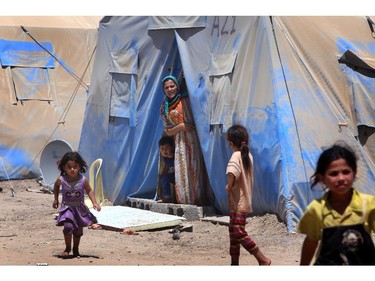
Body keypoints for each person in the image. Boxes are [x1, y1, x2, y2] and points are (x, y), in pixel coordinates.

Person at [298, 142, 375, 265]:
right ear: (322, 177)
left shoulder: (369, 204)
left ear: (354, 173)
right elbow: (311, 242)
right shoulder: (316, 209)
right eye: (333, 174)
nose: (340, 178)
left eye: (346, 172)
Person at [160, 75, 212, 205]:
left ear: (177, 86)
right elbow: (168, 131)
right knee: (183, 170)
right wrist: (181, 126)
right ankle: (187, 200)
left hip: (195, 140)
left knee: (196, 167)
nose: (170, 89)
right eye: (167, 87)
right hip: (180, 143)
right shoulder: (164, 107)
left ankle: (201, 199)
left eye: (172, 86)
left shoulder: (187, 99)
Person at [225, 124, 271, 266]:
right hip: (243, 201)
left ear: (231, 143)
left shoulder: (236, 155)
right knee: (233, 232)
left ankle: (262, 259)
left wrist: (229, 185)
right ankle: (234, 263)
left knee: (238, 231)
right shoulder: (247, 155)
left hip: (238, 201)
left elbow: (232, 171)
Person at [52, 151, 101, 257]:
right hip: (67, 208)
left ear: (79, 167)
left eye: (75, 166)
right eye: (69, 167)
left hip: (79, 208)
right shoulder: (61, 179)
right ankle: (68, 247)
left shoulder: (83, 180)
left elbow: (90, 191)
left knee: (78, 230)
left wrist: (95, 203)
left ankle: (75, 248)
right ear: (64, 167)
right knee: (68, 227)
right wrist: (56, 199)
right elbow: (56, 186)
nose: (72, 169)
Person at [156, 135, 176, 203]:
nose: (164, 151)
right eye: (162, 148)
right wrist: (161, 176)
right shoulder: (166, 158)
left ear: (172, 147)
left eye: (167, 147)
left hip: (179, 177)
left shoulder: (176, 156)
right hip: (174, 176)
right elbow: (166, 167)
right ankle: (168, 197)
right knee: (165, 178)